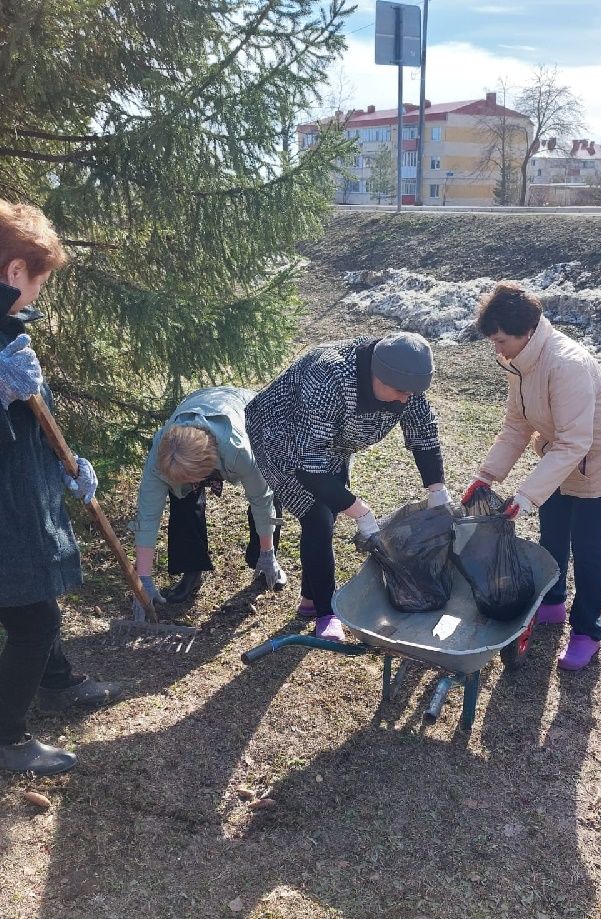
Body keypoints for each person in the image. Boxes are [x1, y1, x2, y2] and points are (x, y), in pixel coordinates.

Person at [0, 200, 122, 776]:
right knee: (34, 617)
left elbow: (32, 418)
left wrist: (67, 464)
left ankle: (54, 681)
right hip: (3, 507)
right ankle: (8, 737)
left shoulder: (7, 329)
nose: (40, 294)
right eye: (40, 279)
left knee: (34, 598)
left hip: (23, 486)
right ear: (16, 272)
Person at [463, 281, 601, 671]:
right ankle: (553, 602)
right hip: (560, 461)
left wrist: (526, 496)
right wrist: (487, 476)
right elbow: (516, 425)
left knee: (589, 548)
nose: (497, 349)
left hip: (600, 463)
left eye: (501, 340)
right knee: (552, 537)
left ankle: (587, 631)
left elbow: (577, 442)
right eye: (493, 341)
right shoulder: (519, 361)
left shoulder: (565, 363)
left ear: (527, 331)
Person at [245, 332, 451, 642]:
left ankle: (310, 600)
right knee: (317, 515)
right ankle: (327, 612)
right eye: (399, 392)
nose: (406, 399)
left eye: (412, 393)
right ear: (375, 375)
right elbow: (308, 462)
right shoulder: (329, 376)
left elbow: (423, 430)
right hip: (281, 438)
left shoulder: (404, 380)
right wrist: (361, 512)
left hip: (332, 443)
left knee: (328, 511)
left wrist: (438, 493)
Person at [130, 387, 286, 612]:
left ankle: (264, 560)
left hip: (245, 413)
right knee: (181, 497)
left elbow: (261, 499)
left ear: (210, 468)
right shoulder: (160, 457)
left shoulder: (238, 451)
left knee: (269, 488)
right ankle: (192, 568)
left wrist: (267, 552)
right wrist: (143, 578)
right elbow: (147, 517)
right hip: (195, 409)